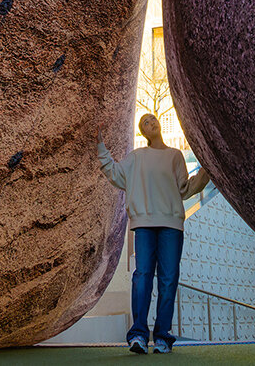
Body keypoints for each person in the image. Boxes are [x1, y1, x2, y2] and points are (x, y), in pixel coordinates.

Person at [98, 114, 210, 354]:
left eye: (153, 119)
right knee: (142, 277)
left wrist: (207, 172)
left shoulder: (175, 156)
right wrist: (100, 145)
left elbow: (185, 189)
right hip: (144, 224)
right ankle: (138, 335)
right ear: (143, 132)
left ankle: (162, 337)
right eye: (145, 122)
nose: (152, 122)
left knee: (169, 279)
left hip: (171, 225)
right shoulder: (136, 157)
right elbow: (115, 173)